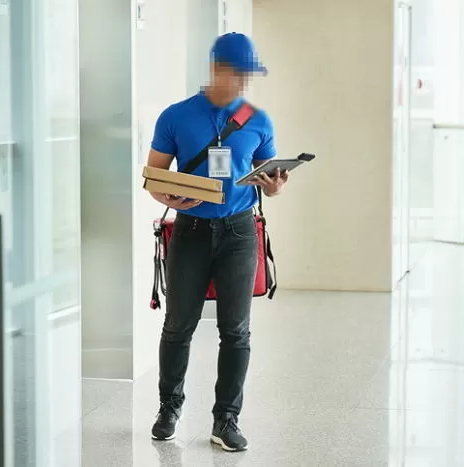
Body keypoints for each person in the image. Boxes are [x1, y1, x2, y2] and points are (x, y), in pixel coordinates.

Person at [145, 32, 287, 452]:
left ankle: (226, 419)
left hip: (241, 231)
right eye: (238, 73)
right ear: (216, 69)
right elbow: (154, 177)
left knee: (236, 330)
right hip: (190, 230)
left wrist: (276, 186)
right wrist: (169, 196)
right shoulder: (175, 116)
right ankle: (169, 408)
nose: (243, 83)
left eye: (248, 76)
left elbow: (269, 177)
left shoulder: (257, 119)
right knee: (178, 326)